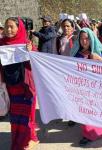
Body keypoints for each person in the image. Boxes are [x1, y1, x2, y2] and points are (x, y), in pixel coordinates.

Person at [0, 17, 39, 150]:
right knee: (15, 119)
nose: (9, 29)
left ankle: (25, 142)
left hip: (26, 88)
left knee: (26, 118)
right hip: (11, 88)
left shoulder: (26, 44)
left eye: (12, 26)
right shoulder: (1, 44)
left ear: (19, 28)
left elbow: (38, 64)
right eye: (7, 27)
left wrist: (31, 52)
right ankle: (17, 141)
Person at [70, 28, 102, 146]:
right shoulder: (76, 53)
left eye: (86, 38)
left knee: (96, 110)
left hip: (98, 88)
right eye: (81, 38)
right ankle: (89, 133)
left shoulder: (98, 51)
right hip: (82, 88)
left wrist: (100, 59)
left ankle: (93, 134)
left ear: (91, 39)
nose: (84, 41)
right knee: (86, 111)